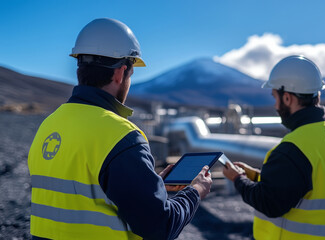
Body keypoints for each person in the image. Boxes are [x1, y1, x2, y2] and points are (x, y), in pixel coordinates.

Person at [28, 18, 212, 240]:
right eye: (131, 74)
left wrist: (152, 186)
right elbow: (160, 227)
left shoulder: (49, 125)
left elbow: (82, 193)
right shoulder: (121, 137)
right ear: (120, 73)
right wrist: (196, 191)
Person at [223, 55, 325, 239]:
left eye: (275, 97)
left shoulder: (292, 150)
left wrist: (238, 179)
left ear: (287, 98)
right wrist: (255, 176)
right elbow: (305, 187)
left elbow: (269, 203)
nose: (275, 105)